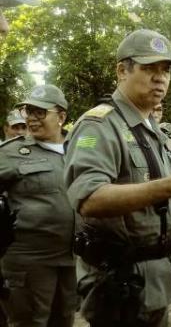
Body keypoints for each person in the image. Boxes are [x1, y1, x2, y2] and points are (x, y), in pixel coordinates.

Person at [64, 29, 171, 326]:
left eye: (165, 70)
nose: (160, 77)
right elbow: (88, 199)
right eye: (149, 68)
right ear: (121, 71)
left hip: (156, 279)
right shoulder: (99, 125)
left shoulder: (154, 132)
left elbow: (155, 198)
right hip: (118, 283)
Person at [0, 84, 77, 326]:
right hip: (29, 263)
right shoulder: (10, 154)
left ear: (61, 117)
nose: (32, 118)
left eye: (40, 112)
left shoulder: (79, 149)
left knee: (64, 320)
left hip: (72, 259)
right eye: (28, 111)